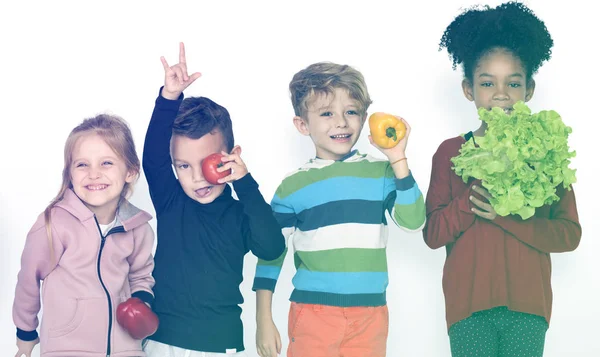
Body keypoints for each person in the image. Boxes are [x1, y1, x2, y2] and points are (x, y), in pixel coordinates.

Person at [424, 2, 582, 356]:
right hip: (468, 309)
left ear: (528, 90)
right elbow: (432, 235)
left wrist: (505, 217)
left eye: (513, 82)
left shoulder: (545, 150)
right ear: (469, 89)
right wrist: (469, 203)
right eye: (486, 83)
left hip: (529, 307)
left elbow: (569, 234)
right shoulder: (450, 153)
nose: (501, 93)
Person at [253, 62, 426, 357]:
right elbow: (271, 255)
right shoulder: (292, 186)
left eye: (351, 111)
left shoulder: (382, 172)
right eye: (326, 113)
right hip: (313, 313)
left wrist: (398, 159)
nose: (342, 122)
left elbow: (413, 222)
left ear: (364, 117)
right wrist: (262, 319)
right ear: (302, 124)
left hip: (370, 314)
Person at [142, 42, 285, 356]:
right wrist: (169, 97)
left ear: (232, 157)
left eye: (207, 162)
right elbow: (152, 158)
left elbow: (272, 247)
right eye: (183, 166)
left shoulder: (239, 212)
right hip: (164, 339)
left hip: (220, 343)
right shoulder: (171, 201)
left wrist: (245, 183)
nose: (196, 178)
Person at [13, 114, 156, 357]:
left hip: (125, 348)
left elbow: (141, 274)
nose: (94, 174)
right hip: (67, 348)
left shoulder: (138, 227)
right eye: (82, 164)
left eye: (106, 163)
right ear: (70, 173)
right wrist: (25, 332)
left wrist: (142, 302)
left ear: (130, 172)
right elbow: (28, 277)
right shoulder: (54, 223)